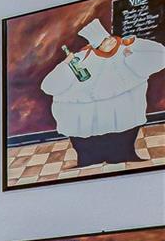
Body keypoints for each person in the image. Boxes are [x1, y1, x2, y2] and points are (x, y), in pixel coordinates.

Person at [39, 18, 165, 166]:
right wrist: (67, 64)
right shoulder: (80, 59)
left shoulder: (125, 50)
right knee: (90, 146)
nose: (111, 40)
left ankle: (123, 155)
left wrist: (134, 44)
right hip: (87, 120)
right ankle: (89, 161)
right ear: (95, 46)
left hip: (125, 115)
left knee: (123, 136)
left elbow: (161, 55)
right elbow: (49, 86)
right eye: (106, 40)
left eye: (110, 37)